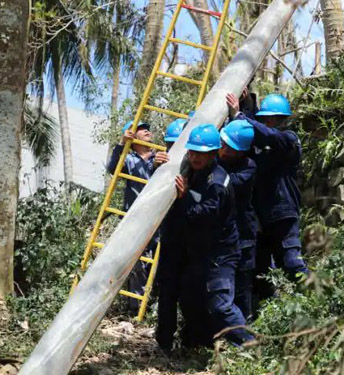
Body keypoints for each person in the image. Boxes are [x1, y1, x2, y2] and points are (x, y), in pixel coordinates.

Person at [227, 92, 308, 312]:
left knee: (291, 262)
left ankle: (316, 303)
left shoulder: (289, 139)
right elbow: (247, 136)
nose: (263, 122)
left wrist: (240, 115)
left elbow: (265, 134)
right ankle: (267, 317)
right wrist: (245, 103)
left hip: (282, 214)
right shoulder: (262, 139)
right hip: (261, 219)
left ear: (273, 119)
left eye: (265, 119)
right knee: (261, 272)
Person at [174, 124, 253, 347]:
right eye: (191, 152)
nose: (194, 157)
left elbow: (205, 213)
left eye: (201, 153)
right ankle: (198, 344)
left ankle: (249, 347)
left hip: (222, 254)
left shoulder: (216, 182)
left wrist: (185, 198)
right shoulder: (198, 172)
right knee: (190, 298)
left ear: (212, 153)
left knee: (221, 304)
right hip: (202, 252)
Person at [107, 120, 169, 315]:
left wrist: (160, 166)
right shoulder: (129, 159)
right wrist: (121, 144)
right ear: (133, 137)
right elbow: (112, 168)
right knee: (136, 261)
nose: (147, 132)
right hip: (134, 219)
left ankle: (154, 304)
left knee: (157, 261)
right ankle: (135, 306)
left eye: (147, 129)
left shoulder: (158, 156)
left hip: (157, 218)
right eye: (142, 130)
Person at [218, 119, 257, 320]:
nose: (223, 150)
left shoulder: (248, 167)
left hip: (243, 234)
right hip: (220, 235)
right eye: (222, 144)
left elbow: (226, 185)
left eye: (229, 148)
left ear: (241, 152)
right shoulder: (215, 161)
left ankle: (244, 330)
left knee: (242, 285)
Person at [156, 117, 189, 351]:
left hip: (193, 241)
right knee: (166, 292)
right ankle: (164, 340)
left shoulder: (197, 165)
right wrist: (155, 167)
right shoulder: (161, 164)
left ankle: (190, 341)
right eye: (170, 145)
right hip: (169, 239)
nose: (172, 151)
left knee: (190, 293)